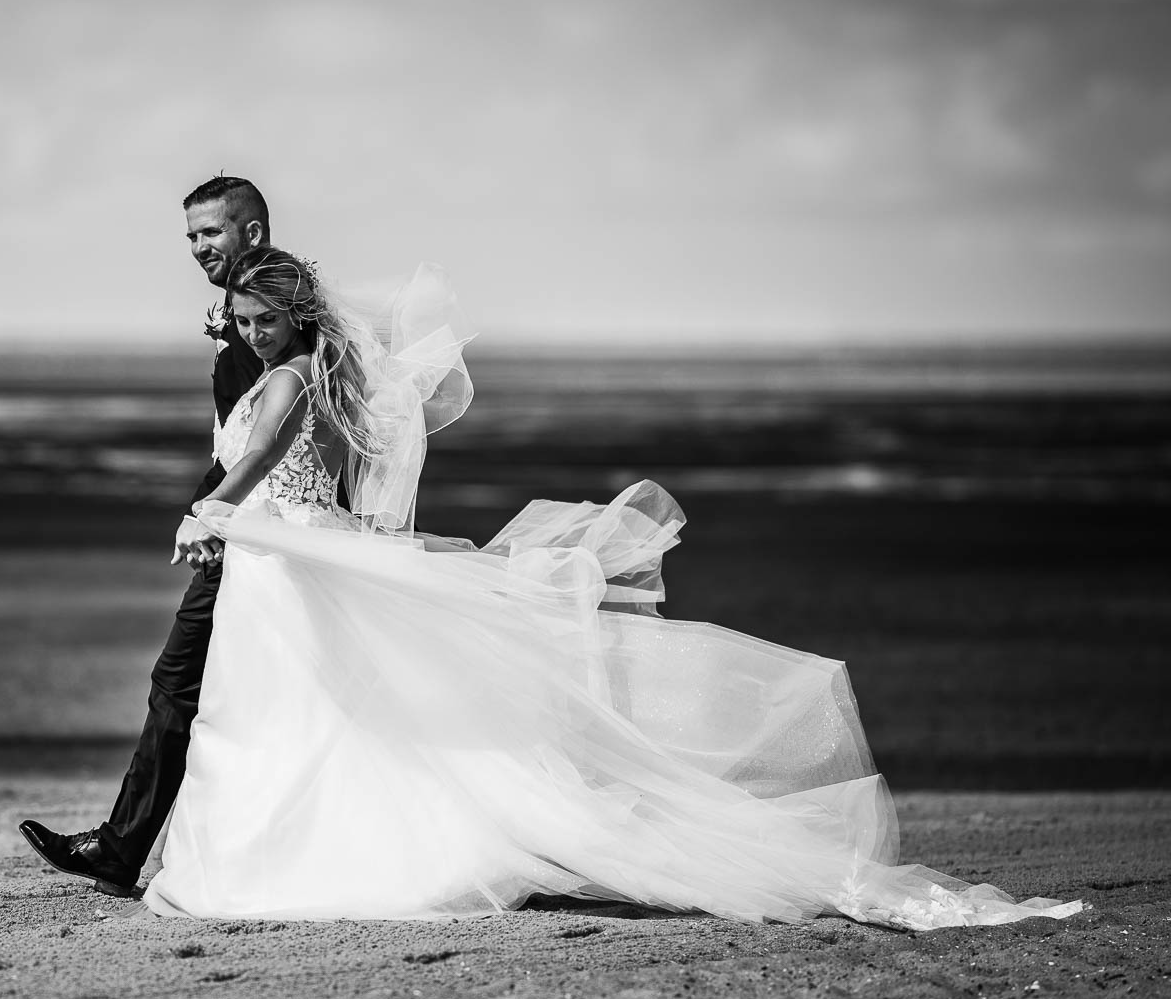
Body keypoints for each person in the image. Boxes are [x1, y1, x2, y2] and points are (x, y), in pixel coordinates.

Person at [135, 246, 1084, 930]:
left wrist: (206, 513)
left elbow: (257, 460)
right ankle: (281, 846)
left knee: (302, 714)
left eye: (267, 321)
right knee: (294, 715)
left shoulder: (294, 381)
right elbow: (319, 479)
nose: (254, 336)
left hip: (277, 554)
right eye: (245, 322)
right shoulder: (299, 376)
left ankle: (295, 857)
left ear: (297, 318)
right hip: (280, 558)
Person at [17, 176, 271, 897]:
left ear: (251, 232)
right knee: (233, 692)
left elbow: (268, 445)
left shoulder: (275, 318)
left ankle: (120, 848)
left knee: (178, 687)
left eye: (210, 233)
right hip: (250, 529)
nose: (196, 248)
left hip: (255, 535)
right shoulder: (251, 310)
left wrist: (213, 514)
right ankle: (127, 845)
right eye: (189, 236)